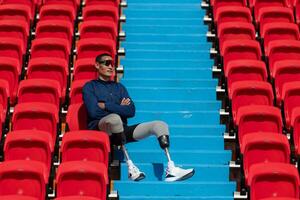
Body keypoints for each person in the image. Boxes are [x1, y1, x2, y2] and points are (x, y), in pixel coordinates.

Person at [82, 53, 195, 182]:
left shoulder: (119, 87)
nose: (111, 67)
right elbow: (93, 112)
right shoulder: (89, 87)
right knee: (114, 118)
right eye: (107, 63)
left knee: (159, 124)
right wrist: (119, 107)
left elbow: (131, 111)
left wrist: (105, 105)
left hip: (121, 131)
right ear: (97, 65)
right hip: (100, 129)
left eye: (113, 64)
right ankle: (131, 168)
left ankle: (171, 169)